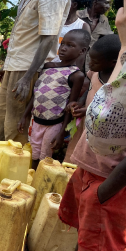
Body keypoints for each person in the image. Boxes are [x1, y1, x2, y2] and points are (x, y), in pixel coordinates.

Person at [56, 0, 126, 251]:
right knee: (92, 245)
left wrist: (106, 191)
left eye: (123, 6)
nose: (120, 13)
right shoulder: (122, 60)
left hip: (109, 180)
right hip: (93, 171)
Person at [0, 0, 71, 145]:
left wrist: (27, 77)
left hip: (26, 69)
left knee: (14, 125)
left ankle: (12, 168)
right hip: (15, 64)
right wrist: (7, 63)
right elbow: (23, 34)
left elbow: (48, 38)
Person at [18, 29, 89, 170]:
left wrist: (62, 132)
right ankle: (30, 177)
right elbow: (36, 94)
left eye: (70, 45)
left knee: (45, 158)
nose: (63, 48)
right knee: (33, 154)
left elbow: (70, 105)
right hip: (36, 121)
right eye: (62, 44)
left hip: (54, 124)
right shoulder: (47, 67)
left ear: (82, 51)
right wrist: (25, 116)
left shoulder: (76, 75)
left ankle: (39, 183)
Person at [63, 34, 121, 164]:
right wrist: (79, 103)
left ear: (113, 63)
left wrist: (87, 111)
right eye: (90, 59)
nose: (90, 64)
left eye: (95, 62)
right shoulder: (95, 72)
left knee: (89, 159)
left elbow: (112, 108)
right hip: (84, 123)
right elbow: (90, 87)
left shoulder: (119, 82)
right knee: (74, 152)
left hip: (99, 129)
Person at [52, 0, 91, 71]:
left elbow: (82, 55)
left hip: (65, 70)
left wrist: (74, 72)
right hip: (46, 66)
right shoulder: (53, 20)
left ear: (74, 5)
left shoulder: (82, 26)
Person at [77, 0, 114, 71]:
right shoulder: (77, 15)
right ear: (95, 2)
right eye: (106, 3)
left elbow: (106, 41)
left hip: (91, 64)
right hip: (74, 61)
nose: (108, 7)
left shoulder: (104, 20)